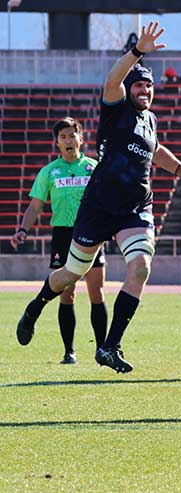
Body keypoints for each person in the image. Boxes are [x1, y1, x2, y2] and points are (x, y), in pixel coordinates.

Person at [16, 21, 181, 373]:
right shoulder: (116, 103)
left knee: (140, 268)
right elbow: (112, 79)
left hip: (136, 206)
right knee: (71, 273)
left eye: (149, 86)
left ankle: (110, 346)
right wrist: (138, 51)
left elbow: (157, 151)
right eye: (139, 84)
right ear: (129, 87)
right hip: (99, 205)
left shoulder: (150, 119)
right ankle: (35, 305)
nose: (145, 91)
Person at [11, 117, 108, 364]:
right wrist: (23, 229)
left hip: (92, 232)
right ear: (57, 142)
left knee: (96, 292)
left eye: (71, 135)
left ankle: (103, 350)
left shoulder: (94, 168)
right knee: (67, 293)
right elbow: (35, 206)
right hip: (63, 235)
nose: (68, 140)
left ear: (81, 139)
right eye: (62, 136)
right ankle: (69, 352)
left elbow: (108, 201)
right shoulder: (49, 172)